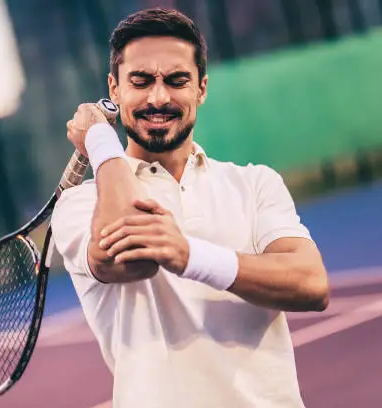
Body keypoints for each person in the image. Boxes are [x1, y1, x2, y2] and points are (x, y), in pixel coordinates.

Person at [50, 7, 330, 408]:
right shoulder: (80, 205)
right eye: (141, 81)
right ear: (114, 89)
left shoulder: (254, 183)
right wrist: (99, 140)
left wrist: (188, 255)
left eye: (177, 80)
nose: (159, 97)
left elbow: (311, 285)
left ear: (201, 88)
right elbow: (132, 258)